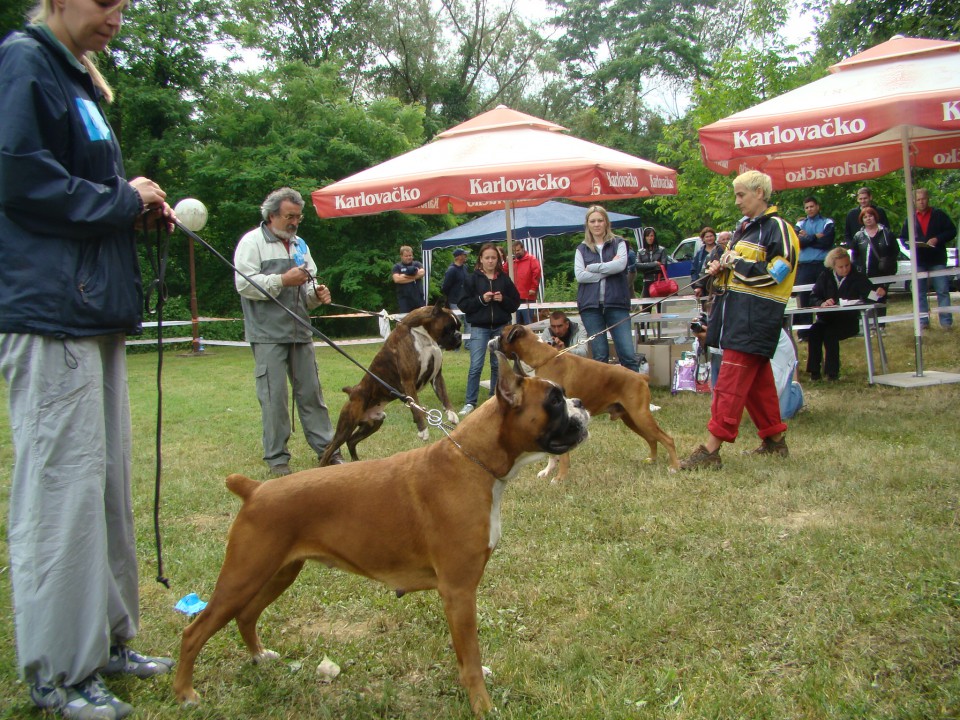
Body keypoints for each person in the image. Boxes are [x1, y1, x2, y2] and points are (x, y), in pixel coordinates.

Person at [0, 1, 177, 716]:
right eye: (105, 2)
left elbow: (82, 191)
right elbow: (16, 176)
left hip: (93, 311)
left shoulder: (75, 80)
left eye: (125, 6)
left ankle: (104, 642)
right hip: (51, 316)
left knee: (103, 488)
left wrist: (130, 207)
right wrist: (117, 200)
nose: (117, 16)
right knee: (61, 496)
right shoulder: (23, 61)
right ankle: (57, 671)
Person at [680, 170, 799, 471]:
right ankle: (774, 441)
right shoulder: (744, 229)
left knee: (729, 384)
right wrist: (720, 269)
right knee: (758, 383)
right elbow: (741, 272)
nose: (737, 201)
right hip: (736, 315)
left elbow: (777, 273)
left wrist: (734, 262)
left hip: (756, 317)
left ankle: (710, 450)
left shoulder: (779, 229)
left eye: (741, 194)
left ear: (760, 193)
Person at [234, 187, 342, 476]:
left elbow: (306, 287)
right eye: (289, 216)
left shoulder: (300, 246)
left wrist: (316, 293)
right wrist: (282, 279)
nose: (294, 222)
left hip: (300, 331)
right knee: (274, 399)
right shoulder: (252, 242)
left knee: (312, 395)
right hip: (267, 334)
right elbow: (244, 285)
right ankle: (277, 459)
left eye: (299, 217)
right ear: (271, 216)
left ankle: (328, 450)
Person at [457, 242, 521, 415]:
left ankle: (495, 398)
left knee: (497, 364)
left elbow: (515, 303)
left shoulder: (504, 279)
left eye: (494, 258)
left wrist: (503, 300)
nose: (491, 261)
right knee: (476, 365)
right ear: (481, 259)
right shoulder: (471, 279)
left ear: (498, 260)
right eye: (487, 258)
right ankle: (470, 402)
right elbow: (463, 304)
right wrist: (481, 300)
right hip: (479, 327)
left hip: (500, 327)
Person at [575, 206, 640, 371]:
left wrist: (594, 267)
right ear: (587, 224)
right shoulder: (581, 249)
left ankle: (636, 393)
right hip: (591, 306)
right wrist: (608, 271)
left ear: (606, 222)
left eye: (600, 220)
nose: (596, 224)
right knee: (599, 355)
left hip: (617, 303)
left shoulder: (619, 243)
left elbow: (620, 265)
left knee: (627, 353)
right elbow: (580, 276)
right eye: (593, 221)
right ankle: (603, 395)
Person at [805, 247, 876, 381]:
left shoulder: (857, 276)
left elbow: (872, 295)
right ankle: (814, 372)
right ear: (833, 266)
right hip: (826, 320)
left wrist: (879, 294)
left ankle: (832, 373)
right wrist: (822, 303)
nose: (844, 269)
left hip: (848, 322)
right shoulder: (825, 276)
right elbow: (813, 297)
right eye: (840, 267)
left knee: (830, 333)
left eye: (847, 265)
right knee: (814, 331)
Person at [899, 188, 957, 330]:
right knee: (919, 291)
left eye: (923, 199)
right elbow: (903, 238)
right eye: (918, 200)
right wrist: (911, 244)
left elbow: (952, 231)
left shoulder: (939, 215)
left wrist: (938, 239)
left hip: (937, 259)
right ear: (914, 201)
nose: (921, 202)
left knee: (942, 290)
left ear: (928, 199)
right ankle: (923, 321)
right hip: (919, 259)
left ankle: (946, 322)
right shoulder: (910, 218)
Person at [794, 196, 836, 339]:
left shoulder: (827, 222)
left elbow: (827, 242)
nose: (809, 209)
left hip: (821, 265)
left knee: (824, 296)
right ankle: (805, 333)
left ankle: (827, 328)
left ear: (817, 207)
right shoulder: (800, 224)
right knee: (804, 299)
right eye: (806, 207)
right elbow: (797, 242)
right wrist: (814, 237)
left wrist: (808, 238)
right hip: (804, 266)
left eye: (812, 206)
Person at [845, 206, 897, 316]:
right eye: (865, 217)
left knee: (881, 298)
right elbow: (855, 255)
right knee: (869, 299)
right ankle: (871, 326)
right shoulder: (858, 236)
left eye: (870, 216)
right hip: (866, 276)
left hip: (883, 274)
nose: (868, 219)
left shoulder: (887, 233)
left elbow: (894, 252)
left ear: (875, 217)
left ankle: (881, 326)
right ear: (862, 220)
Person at [440, 248, 471, 348]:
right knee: (455, 324)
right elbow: (445, 287)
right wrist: (451, 297)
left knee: (468, 322)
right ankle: (453, 344)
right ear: (458, 257)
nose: (465, 257)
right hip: (455, 301)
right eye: (463, 255)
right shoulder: (451, 270)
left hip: (465, 300)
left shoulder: (465, 267)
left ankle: (468, 345)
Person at [505, 240, 542, 324]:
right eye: (514, 251)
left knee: (528, 323)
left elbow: (536, 274)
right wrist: (508, 262)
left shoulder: (531, 259)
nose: (516, 253)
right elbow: (504, 271)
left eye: (518, 250)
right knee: (515, 323)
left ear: (523, 249)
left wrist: (533, 288)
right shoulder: (512, 261)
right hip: (515, 297)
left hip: (527, 296)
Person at [636, 226, 670, 298]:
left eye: (651, 235)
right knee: (646, 306)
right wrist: (654, 264)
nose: (650, 238)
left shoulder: (661, 250)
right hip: (647, 281)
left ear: (654, 237)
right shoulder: (640, 252)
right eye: (647, 236)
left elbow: (664, 266)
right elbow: (638, 266)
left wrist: (646, 268)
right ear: (644, 237)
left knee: (660, 305)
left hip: (660, 281)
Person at [392, 245, 426, 313]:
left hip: (418, 298)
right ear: (401, 256)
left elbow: (422, 273)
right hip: (405, 300)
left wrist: (404, 276)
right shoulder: (397, 267)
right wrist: (414, 277)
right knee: (406, 319)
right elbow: (397, 279)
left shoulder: (417, 264)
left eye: (410, 255)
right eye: (406, 256)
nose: (409, 257)